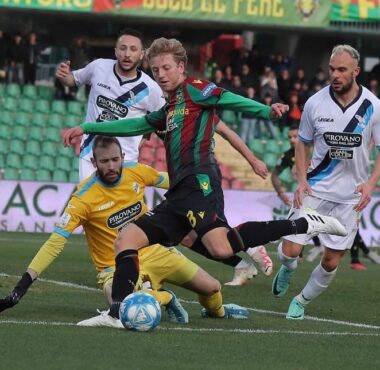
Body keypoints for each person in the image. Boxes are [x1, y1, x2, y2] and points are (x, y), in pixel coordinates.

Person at [62, 37, 347, 328]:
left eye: (166, 68)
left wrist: (264, 110)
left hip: (199, 181)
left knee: (219, 247)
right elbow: (134, 124)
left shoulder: (195, 89)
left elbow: (227, 98)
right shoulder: (169, 106)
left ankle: (304, 224)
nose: (160, 74)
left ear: (181, 67)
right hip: (178, 191)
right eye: (156, 70)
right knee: (129, 240)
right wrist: (87, 127)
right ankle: (116, 314)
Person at [0, 136, 248, 326]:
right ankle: (165, 298)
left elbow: (176, 181)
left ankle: (219, 312)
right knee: (119, 305)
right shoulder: (82, 198)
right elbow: (54, 244)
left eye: (115, 159)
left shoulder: (136, 172)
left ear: (122, 157)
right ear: (93, 162)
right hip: (114, 267)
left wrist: (206, 181)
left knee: (213, 287)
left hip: (156, 252)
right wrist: (22, 286)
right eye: (104, 161)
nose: (111, 166)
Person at [271, 44, 380, 320]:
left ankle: (301, 300)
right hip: (315, 189)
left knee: (331, 261)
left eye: (342, 69)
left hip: (350, 197)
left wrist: (371, 184)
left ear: (356, 71)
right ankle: (289, 268)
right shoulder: (315, 103)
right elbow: (303, 144)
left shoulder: (373, 107)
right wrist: (302, 180)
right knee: (289, 250)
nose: (335, 74)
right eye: (332, 69)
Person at [56, 28, 165, 182]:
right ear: (115, 51)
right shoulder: (99, 67)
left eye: (133, 49)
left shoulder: (150, 88)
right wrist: (64, 76)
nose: (127, 54)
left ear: (142, 54)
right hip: (91, 155)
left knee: (119, 207)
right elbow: (72, 80)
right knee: (91, 204)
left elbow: (163, 119)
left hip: (125, 162)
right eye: (123, 48)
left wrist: (145, 137)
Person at [271, 122, 324, 263]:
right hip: (307, 191)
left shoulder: (317, 149)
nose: (292, 140)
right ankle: (307, 250)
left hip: (326, 191)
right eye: (289, 137)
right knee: (302, 218)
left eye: (295, 136)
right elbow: (274, 175)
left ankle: (316, 247)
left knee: (306, 219)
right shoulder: (288, 155)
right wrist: (280, 192)